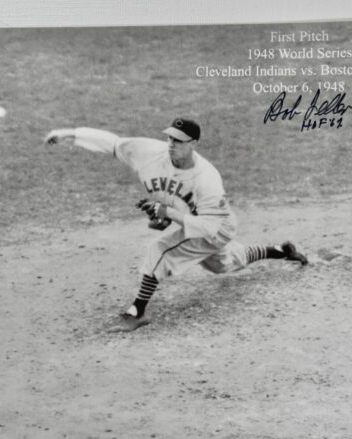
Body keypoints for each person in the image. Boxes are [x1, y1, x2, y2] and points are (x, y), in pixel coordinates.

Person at [45, 118, 307, 332]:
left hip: (216, 227)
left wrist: (166, 211)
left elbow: (208, 228)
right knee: (222, 265)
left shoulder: (207, 178)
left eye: (180, 141)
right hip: (202, 227)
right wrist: (68, 133)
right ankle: (279, 251)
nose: (172, 145)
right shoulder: (148, 152)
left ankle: (136, 312)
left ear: (193, 144)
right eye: (170, 138)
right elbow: (112, 143)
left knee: (161, 251)